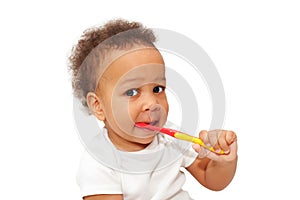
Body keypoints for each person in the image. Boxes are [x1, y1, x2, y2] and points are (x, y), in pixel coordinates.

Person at [69, 19, 238, 200]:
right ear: (98, 106)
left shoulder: (171, 139)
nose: (152, 102)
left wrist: (225, 161)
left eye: (158, 89)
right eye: (132, 92)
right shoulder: (99, 162)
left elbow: (210, 178)